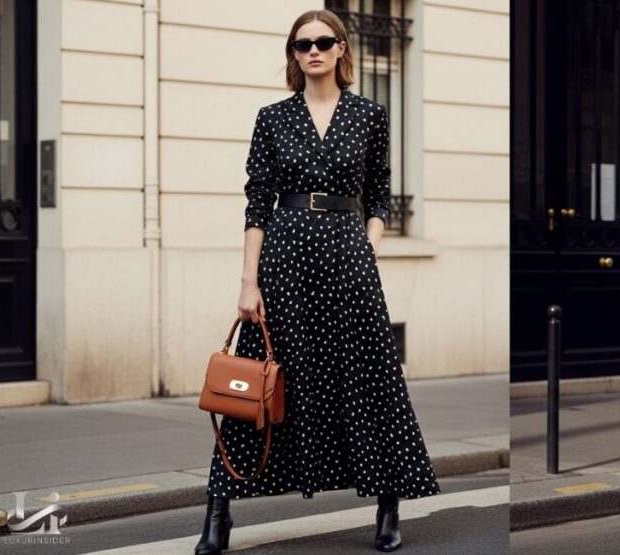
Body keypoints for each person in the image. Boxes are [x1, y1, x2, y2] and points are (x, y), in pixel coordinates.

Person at [195, 9, 440, 554]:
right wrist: (247, 281)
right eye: (303, 43)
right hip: (285, 262)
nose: (314, 50)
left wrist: (371, 241)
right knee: (260, 384)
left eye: (324, 42)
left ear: (341, 50)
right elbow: (256, 205)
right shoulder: (272, 118)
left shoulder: (369, 116)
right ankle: (218, 510)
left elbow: (378, 193)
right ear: (293, 54)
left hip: (348, 261)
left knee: (370, 378)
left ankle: (388, 502)